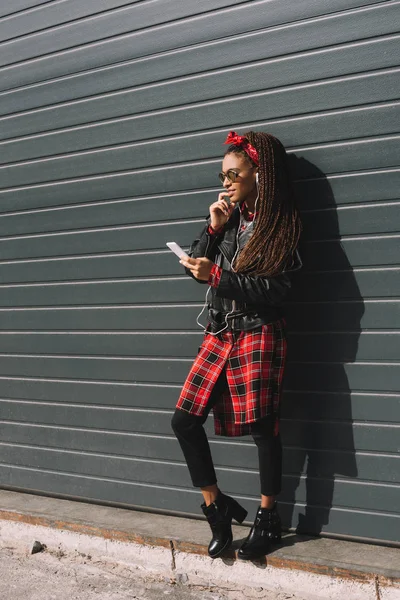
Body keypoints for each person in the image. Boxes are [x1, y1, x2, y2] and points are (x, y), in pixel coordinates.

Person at [171, 130, 302, 560]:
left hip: (259, 329)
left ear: (259, 174)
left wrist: (218, 277)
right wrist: (212, 228)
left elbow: (278, 288)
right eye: (222, 176)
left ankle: (268, 519)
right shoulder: (230, 216)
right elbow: (196, 265)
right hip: (220, 331)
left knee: (264, 428)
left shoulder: (280, 224)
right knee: (184, 421)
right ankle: (217, 507)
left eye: (233, 174)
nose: (225, 183)